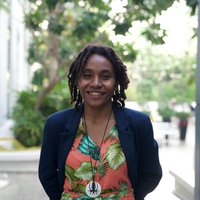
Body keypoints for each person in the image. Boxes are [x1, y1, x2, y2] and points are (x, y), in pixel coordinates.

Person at [38, 44, 162, 200]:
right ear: (78, 80)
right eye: (87, 75)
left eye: (105, 76)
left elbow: (152, 173)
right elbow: (46, 174)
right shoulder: (56, 124)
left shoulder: (139, 123)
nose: (95, 83)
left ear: (116, 81)